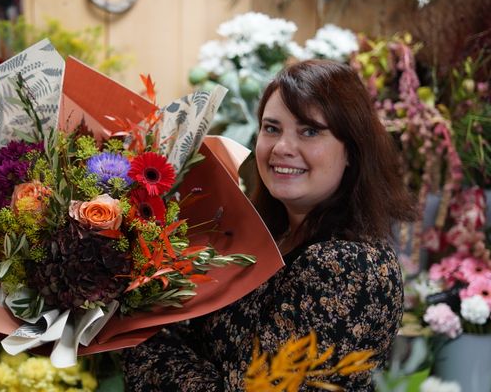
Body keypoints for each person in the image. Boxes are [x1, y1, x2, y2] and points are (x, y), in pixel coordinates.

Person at [121, 60, 418, 391]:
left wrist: (135, 336)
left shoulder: (347, 265)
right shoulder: (267, 237)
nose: (282, 148)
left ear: (352, 150)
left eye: (309, 131)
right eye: (272, 128)